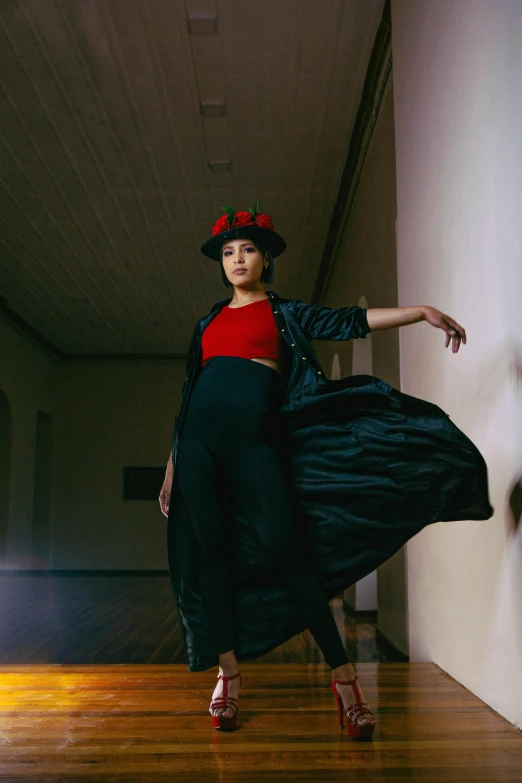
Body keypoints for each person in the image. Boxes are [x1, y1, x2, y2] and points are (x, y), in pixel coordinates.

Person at [159, 204, 492, 736]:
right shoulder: (207, 323)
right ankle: (229, 677)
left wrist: (419, 311)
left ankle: (344, 679)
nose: (237, 259)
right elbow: (187, 395)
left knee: (290, 556)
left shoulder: (283, 314)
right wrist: (174, 463)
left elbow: (350, 320)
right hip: (198, 446)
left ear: (265, 258)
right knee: (212, 558)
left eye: (247, 250)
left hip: (253, 444)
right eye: (228, 252)